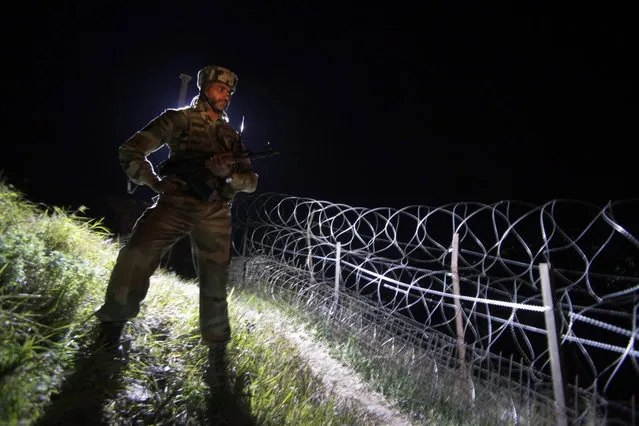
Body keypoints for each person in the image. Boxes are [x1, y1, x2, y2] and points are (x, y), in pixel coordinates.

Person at [94, 65, 258, 366]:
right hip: (177, 202)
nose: (226, 96)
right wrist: (155, 181)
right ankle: (112, 325)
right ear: (205, 87)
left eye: (230, 92)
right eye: (221, 89)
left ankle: (217, 347)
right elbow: (131, 150)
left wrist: (229, 175)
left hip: (216, 210)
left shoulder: (231, 136)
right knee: (137, 254)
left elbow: (251, 181)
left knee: (215, 279)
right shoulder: (179, 118)